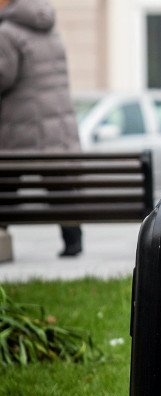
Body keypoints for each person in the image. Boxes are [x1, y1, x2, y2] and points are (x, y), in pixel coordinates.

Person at [0, 0, 83, 256]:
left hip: (22, 129)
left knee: (5, 184)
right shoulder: (51, 31)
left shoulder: (7, 34)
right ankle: (73, 240)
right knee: (59, 186)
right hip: (58, 130)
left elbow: (4, 77)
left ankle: (1, 237)